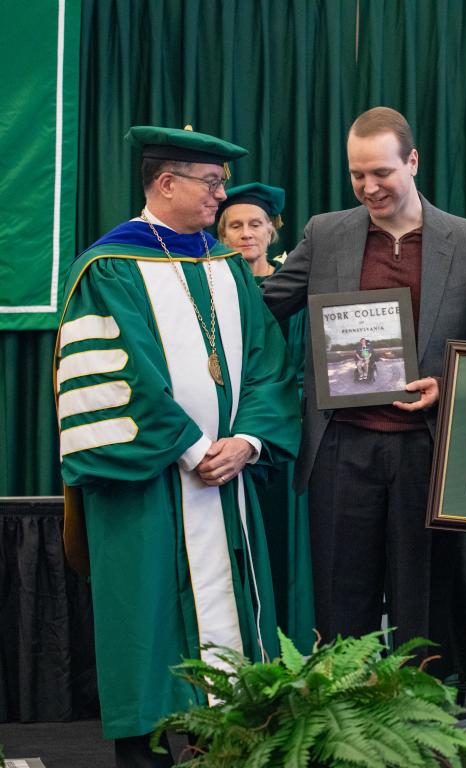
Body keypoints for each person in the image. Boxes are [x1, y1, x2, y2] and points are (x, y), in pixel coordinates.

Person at [55, 126, 300, 766]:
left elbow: (272, 366)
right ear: (167, 184)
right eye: (212, 183)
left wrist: (246, 441)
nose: (222, 196)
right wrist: (194, 449)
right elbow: (121, 374)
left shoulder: (225, 268)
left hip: (228, 479)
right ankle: (144, 748)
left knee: (228, 626)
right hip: (150, 480)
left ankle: (225, 741)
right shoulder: (107, 268)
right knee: (146, 611)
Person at [260, 107, 466, 664]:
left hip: (428, 448)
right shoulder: (325, 233)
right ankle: (345, 726)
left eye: (381, 173)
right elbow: (265, 309)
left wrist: (446, 385)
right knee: (341, 603)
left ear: (412, 162)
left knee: (425, 606)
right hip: (342, 446)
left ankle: (423, 727)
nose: (368, 187)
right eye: (357, 175)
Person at [217, 182, 315, 652]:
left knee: (287, 554)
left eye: (255, 224)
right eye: (234, 225)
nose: (245, 233)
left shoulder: (293, 292)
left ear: (273, 231)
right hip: (227, 443)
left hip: (288, 440)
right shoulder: (211, 288)